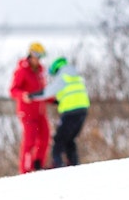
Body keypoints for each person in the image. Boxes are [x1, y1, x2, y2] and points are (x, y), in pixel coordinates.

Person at [30, 57, 90, 168]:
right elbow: (70, 95)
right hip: (83, 111)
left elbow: (48, 92)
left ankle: (58, 166)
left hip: (70, 112)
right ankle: (74, 164)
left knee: (58, 139)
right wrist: (57, 101)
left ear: (56, 69)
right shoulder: (75, 76)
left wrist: (31, 96)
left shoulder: (63, 76)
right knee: (69, 139)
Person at [9, 42, 52, 173]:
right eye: (36, 56)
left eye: (40, 56)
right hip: (27, 112)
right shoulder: (22, 71)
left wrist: (53, 100)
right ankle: (25, 170)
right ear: (30, 54)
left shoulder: (41, 71)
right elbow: (13, 90)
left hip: (40, 112)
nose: (38, 59)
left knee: (45, 137)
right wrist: (23, 95)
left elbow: (43, 91)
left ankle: (38, 164)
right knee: (30, 141)